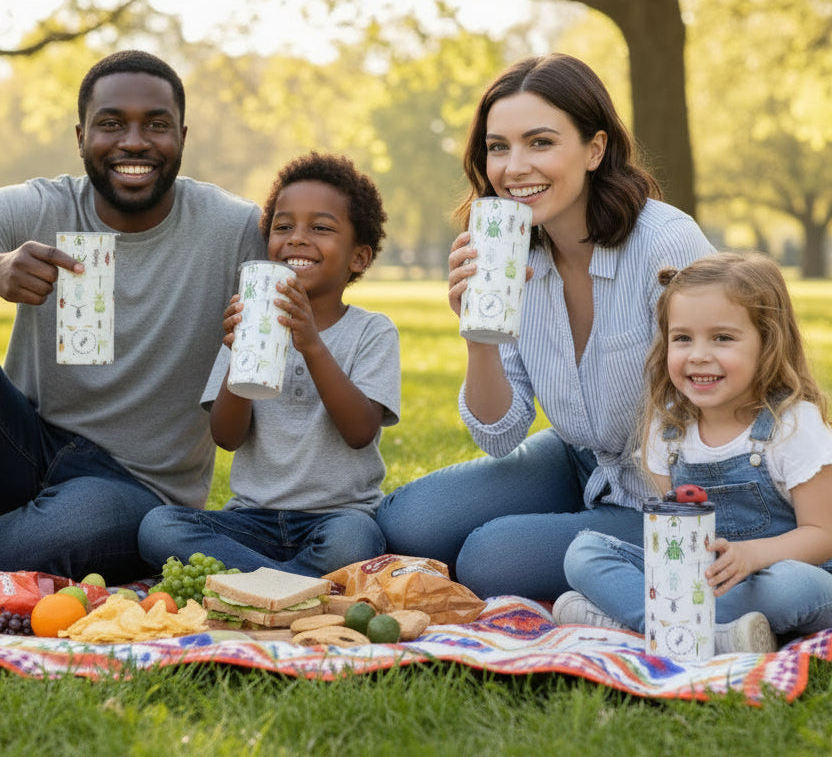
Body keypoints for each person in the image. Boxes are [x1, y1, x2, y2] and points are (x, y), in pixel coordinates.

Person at [375, 53, 714, 600]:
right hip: (581, 457)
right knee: (407, 523)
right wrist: (478, 336)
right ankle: (575, 522)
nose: (513, 168)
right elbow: (500, 432)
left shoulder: (665, 243)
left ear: (594, 150)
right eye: (498, 147)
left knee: (490, 558)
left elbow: (736, 390)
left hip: (672, 490)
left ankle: (615, 547)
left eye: (540, 142)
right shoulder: (508, 255)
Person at [0, 50, 266, 583]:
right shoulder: (41, 208)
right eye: (112, 123)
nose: (135, 141)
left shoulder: (236, 229)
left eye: (157, 125)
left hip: (130, 486)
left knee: (40, 541)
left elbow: (322, 281)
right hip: (24, 441)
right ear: (80, 137)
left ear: (183, 138)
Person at [138, 152, 400, 577]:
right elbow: (227, 436)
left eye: (320, 227)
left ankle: (251, 583)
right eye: (283, 226)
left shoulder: (372, 331)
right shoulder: (248, 323)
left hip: (335, 519)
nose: (297, 238)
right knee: (159, 527)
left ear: (359, 258)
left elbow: (360, 432)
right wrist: (239, 354)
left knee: (356, 542)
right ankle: (290, 586)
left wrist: (311, 343)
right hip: (251, 519)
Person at [556, 253, 832, 653]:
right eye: (683, 338)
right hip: (705, 581)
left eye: (722, 337)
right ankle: (712, 634)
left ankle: (647, 623)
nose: (698, 354)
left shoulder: (793, 425)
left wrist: (754, 555)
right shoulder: (669, 432)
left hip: (791, 574)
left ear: (768, 343)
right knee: (584, 553)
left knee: (789, 587)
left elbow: (824, 535)